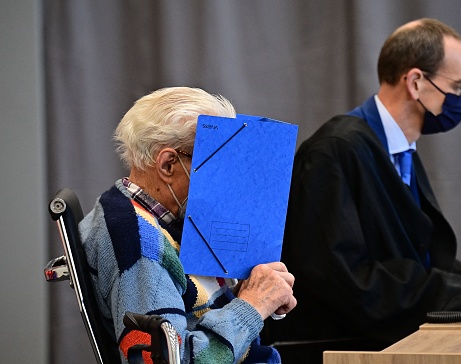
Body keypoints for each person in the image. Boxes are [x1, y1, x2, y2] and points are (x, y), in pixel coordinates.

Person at [262, 18, 461, 363]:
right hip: (342, 347)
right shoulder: (336, 150)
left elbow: (416, 259)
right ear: (415, 82)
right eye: (457, 87)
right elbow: (346, 278)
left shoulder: (395, 149)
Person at [79, 86, 297, 363]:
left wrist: (254, 293)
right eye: (216, 163)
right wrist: (251, 306)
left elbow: (192, 314)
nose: (225, 182)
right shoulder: (138, 243)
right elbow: (168, 360)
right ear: (168, 164)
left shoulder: (142, 212)